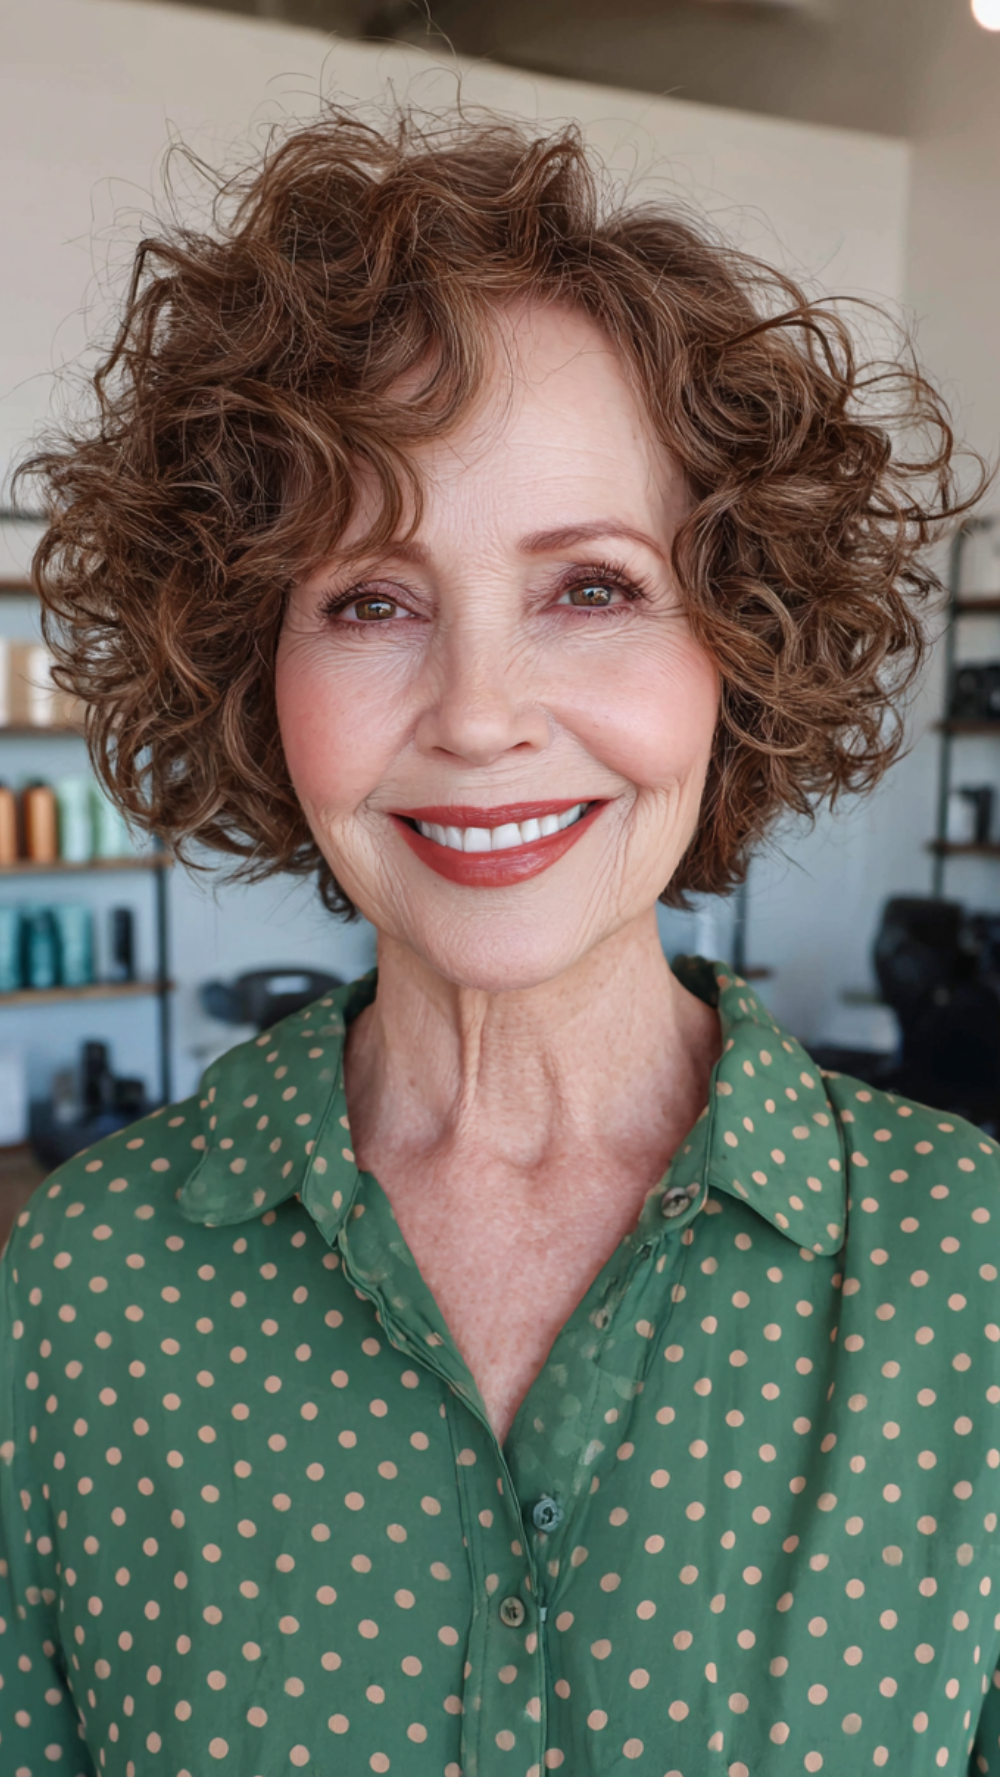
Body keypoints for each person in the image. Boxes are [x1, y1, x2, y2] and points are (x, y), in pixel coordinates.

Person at [1, 110, 995, 1777]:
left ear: (732, 646)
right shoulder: (85, 1290)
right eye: (371, 601)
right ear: (262, 672)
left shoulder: (967, 1283)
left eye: (591, 586)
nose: (477, 716)